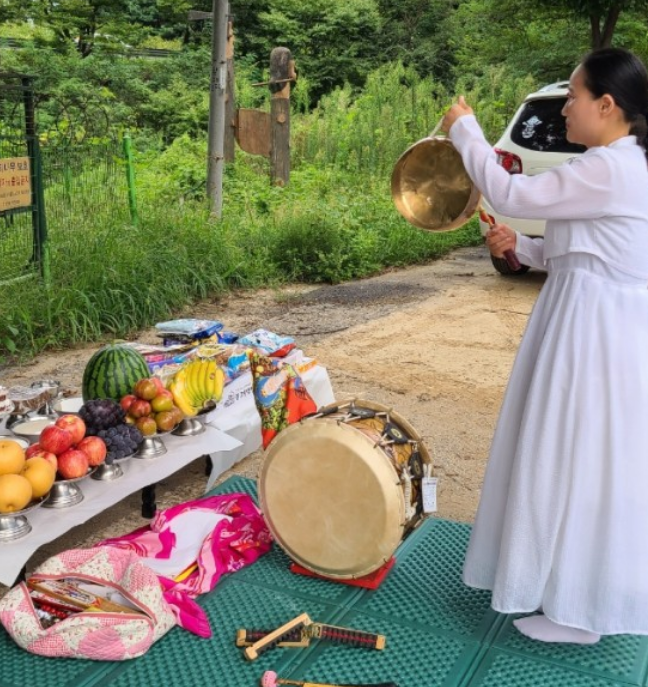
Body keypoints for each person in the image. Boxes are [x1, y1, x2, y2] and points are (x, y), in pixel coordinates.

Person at [441, 47, 648, 644]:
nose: (564, 110)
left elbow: (511, 194)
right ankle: (570, 598)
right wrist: (520, 251)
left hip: (593, 330)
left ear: (607, 106)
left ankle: (578, 609)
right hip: (589, 317)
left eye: (574, 98)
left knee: (572, 454)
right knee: (581, 458)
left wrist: (466, 132)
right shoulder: (612, 163)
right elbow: (582, 251)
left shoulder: (610, 166)